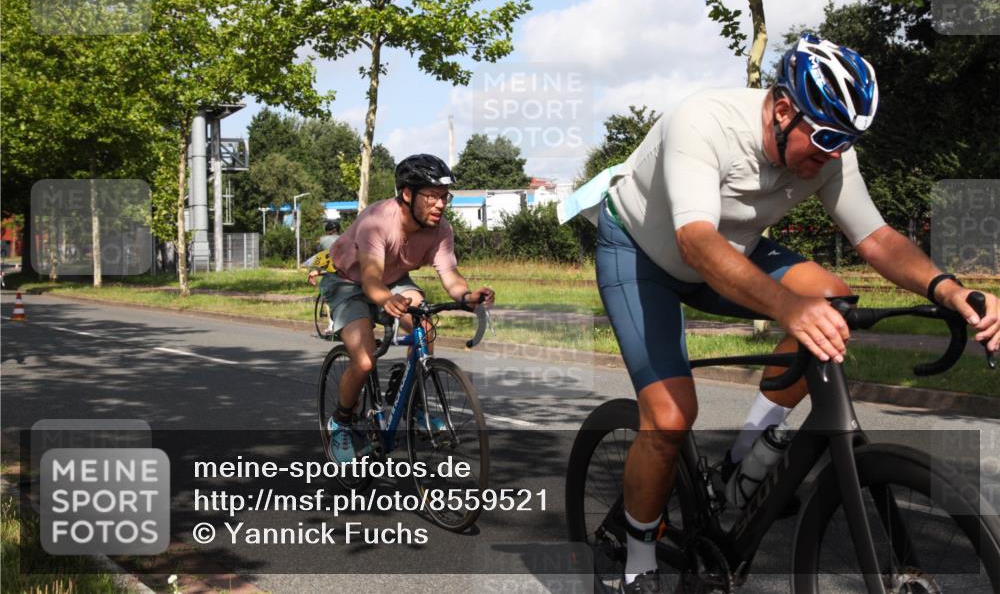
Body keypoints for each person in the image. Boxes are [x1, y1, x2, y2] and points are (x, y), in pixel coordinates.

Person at [574, 33, 999, 593]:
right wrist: (787, 307)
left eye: (843, 144)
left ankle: (748, 459)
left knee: (834, 298)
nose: (830, 157)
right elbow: (695, 242)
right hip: (643, 253)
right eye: (824, 141)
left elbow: (874, 237)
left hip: (734, 250)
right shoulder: (702, 122)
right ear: (781, 109)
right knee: (671, 419)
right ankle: (635, 564)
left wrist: (949, 290)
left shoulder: (827, 150)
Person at [322, 153, 495, 463]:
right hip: (349, 281)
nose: (441, 204)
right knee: (363, 363)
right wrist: (386, 299)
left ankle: (411, 399)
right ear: (407, 193)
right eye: (432, 197)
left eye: (445, 197)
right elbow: (372, 280)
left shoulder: (441, 229)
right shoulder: (377, 222)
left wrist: (467, 296)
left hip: (393, 278)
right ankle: (341, 422)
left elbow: (450, 276)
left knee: (424, 327)